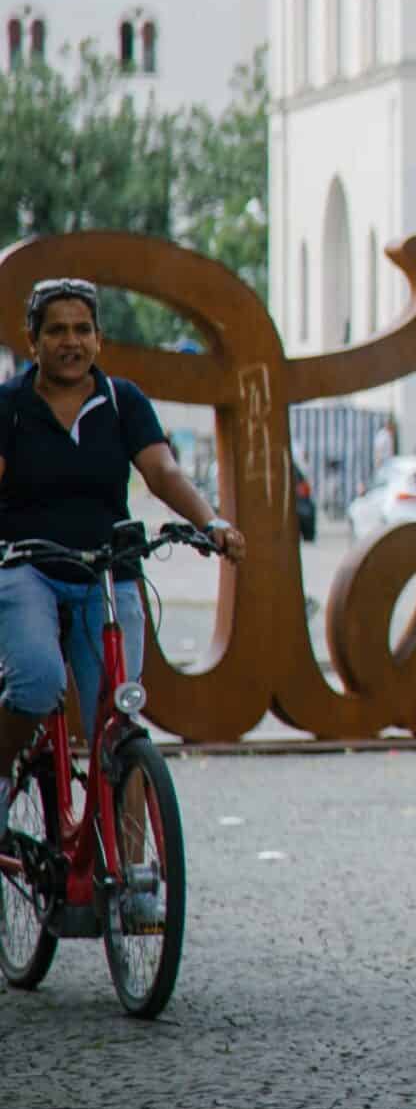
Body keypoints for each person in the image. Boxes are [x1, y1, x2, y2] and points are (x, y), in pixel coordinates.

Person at [0, 279, 248, 835]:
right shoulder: (10, 406)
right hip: (26, 567)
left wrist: (211, 523)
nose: (71, 342)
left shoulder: (122, 401)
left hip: (108, 571)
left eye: (82, 330)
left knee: (117, 721)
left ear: (99, 339)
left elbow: (162, 471)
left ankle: (133, 879)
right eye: (57, 330)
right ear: (32, 340)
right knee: (37, 681)